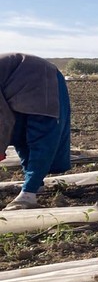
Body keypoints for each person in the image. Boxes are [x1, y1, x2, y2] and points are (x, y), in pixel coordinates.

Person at [0, 53, 72, 211]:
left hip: (40, 79)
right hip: (18, 83)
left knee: (41, 138)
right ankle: (35, 183)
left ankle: (28, 194)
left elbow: (2, 118)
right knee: (20, 136)